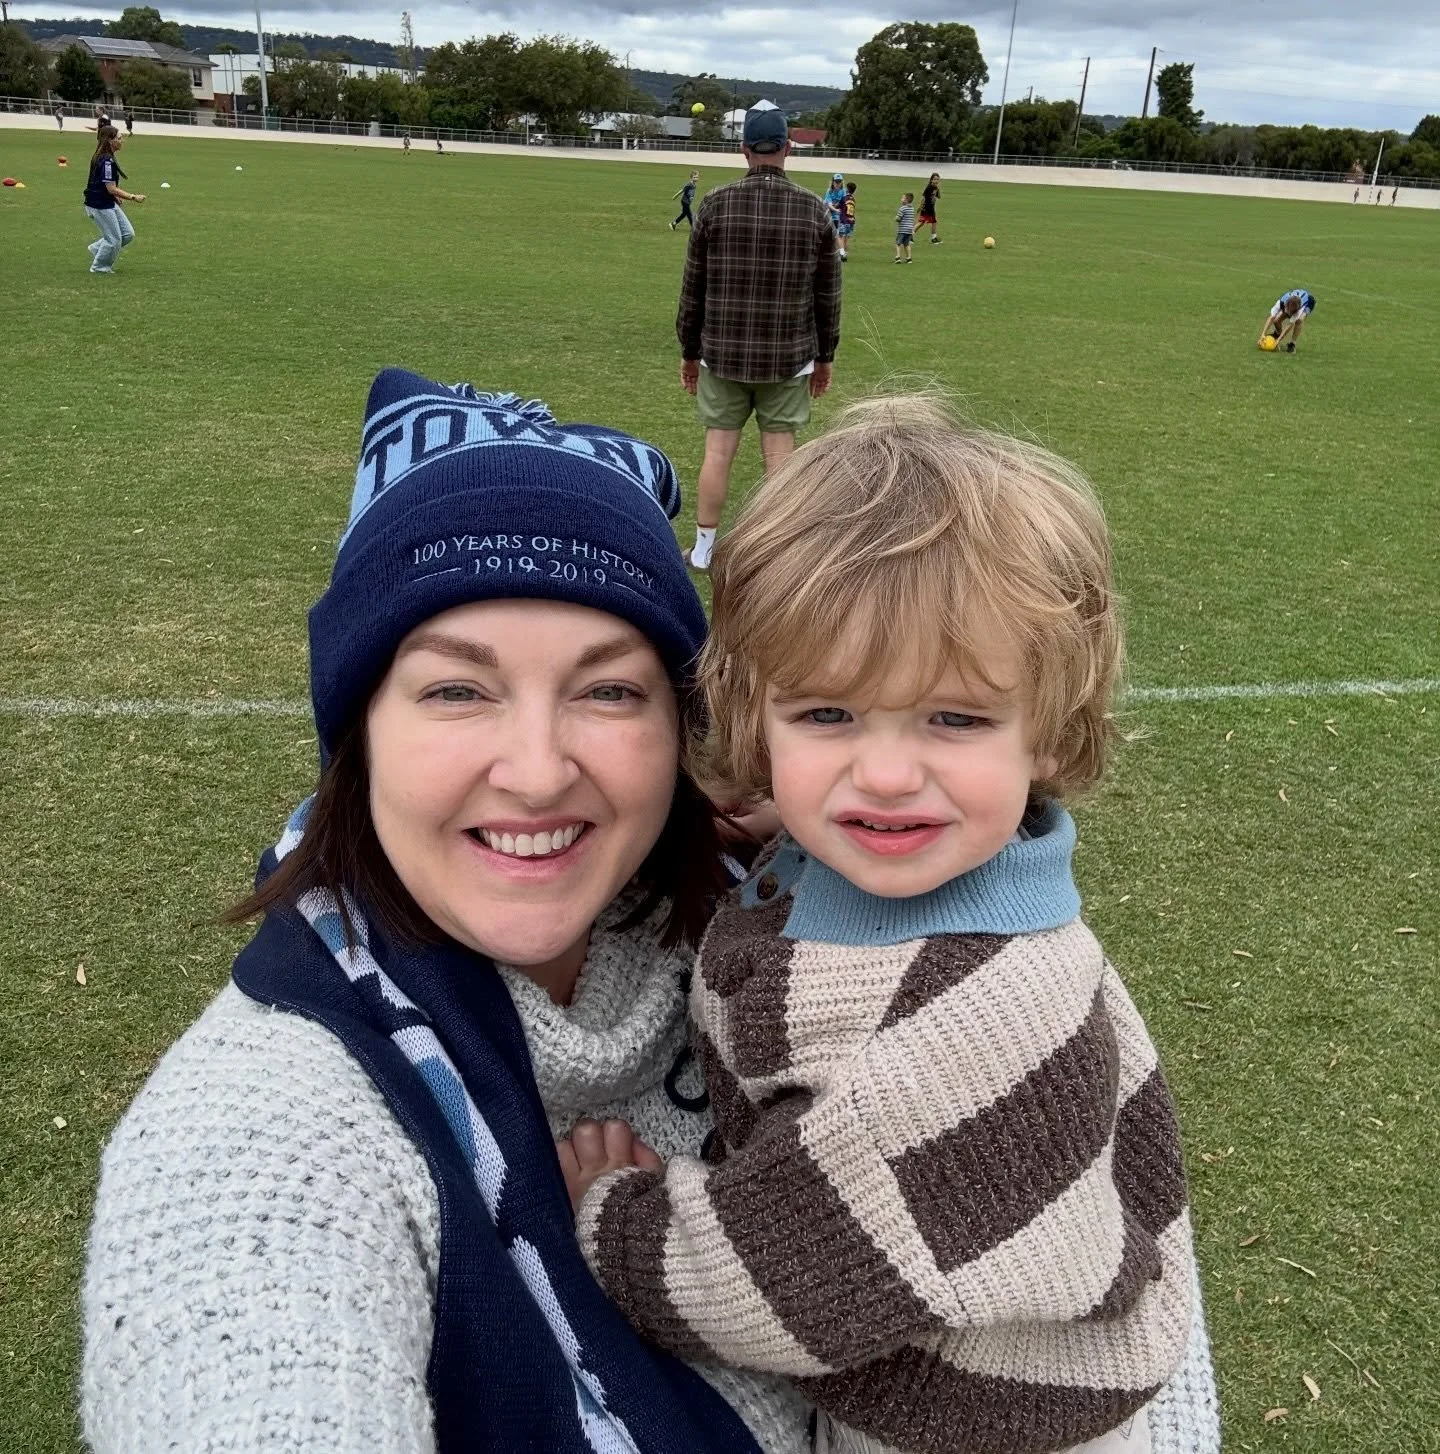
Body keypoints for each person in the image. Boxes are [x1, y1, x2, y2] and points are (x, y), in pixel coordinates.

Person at [81, 368, 813, 1453]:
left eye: (609, 688)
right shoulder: (268, 1124)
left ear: (680, 728)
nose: (533, 770)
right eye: (456, 688)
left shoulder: (819, 934)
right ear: (359, 725)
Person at [561, 396, 1221, 1454]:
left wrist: (619, 1219)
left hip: (978, 1421)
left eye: (954, 718)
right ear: (757, 712)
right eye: (827, 714)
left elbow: (786, 1276)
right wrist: (798, 824)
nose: (884, 773)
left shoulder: (967, 1029)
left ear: (1047, 728)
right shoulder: (955, 862)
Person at [675, 103, 841, 572]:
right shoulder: (814, 211)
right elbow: (828, 295)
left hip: (721, 355)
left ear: (744, 150)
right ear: (788, 149)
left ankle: (705, 547)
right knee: (780, 457)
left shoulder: (714, 204)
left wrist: (689, 352)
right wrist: (825, 356)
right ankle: (779, 552)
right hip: (788, 357)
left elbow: (693, 289)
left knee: (718, 451)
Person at [83, 126, 143, 276]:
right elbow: (111, 188)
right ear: (110, 140)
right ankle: (99, 267)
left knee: (127, 234)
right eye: (119, 138)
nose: (122, 141)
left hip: (107, 202)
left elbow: (105, 185)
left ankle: (97, 249)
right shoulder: (106, 161)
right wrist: (133, 197)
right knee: (114, 239)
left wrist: (115, 197)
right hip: (99, 205)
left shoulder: (106, 157)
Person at [1258, 288, 1315, 353]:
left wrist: (1278, 341)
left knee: (1299, 320)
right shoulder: (1281, 302)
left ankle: (1292, 344)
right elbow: (1271, 318)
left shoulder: (1298, 309)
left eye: (1292, 312)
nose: (1290, 314)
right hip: (1292, 302)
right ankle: (1277, 334)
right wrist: (1262, 335)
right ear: (1286, 305)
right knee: (1276, 321)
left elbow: (1290, 325)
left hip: (1308, 301)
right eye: (1289, 311)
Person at [835, 181, 856, 261]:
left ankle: (842, 253)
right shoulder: (853, 199)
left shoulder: (844, 198)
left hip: (844, 220)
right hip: (852, 220)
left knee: (840, 236)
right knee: (846, 238)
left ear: (847, 189)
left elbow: (838, 206)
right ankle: (845, 254)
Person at [918, 172, 941, 244]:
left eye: (937, 179)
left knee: (933, 222)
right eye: (934, 179)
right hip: (926, 208)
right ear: (931, 180)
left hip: (931, 208)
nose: (936, 181)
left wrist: (938, 189)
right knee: (921, 222)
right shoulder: (929, 187)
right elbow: (923, 197)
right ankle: (909, 236)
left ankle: (934, 238)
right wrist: (920, 207)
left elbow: (938, 196)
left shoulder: (935, 188)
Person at [894, 191, 915, 263]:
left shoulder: (902, 208)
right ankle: (909, 258)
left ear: (906, 200)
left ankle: (898, 257)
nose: (901, 199)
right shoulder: (912, 209)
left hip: (902, 229)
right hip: (909, 230)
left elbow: (898, 218)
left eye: (902, 198)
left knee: (898, 243)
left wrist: (896, 219)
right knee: (907, 244)